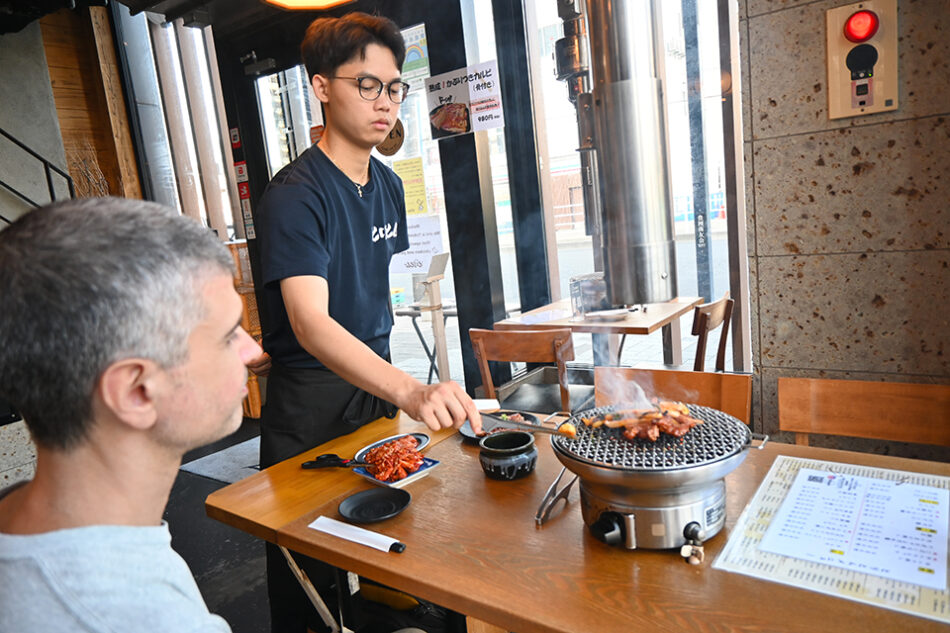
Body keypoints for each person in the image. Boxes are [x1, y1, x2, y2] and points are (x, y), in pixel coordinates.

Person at [254, 12, 482, 633]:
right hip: (309, 402)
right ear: (321, 87)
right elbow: (310, 323)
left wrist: (392, 387)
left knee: (385, 542)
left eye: (394, 86)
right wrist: (410, 388)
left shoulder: (386, 183)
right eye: (366, 85)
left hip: (371, 392)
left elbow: (369, 291)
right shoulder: (295, 195)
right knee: (307, 572)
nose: (385, 102)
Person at [0, 197, 263, 632]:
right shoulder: (142, 618)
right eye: (228, 335)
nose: (252, 351)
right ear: (137, 392)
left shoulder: (19, 513)